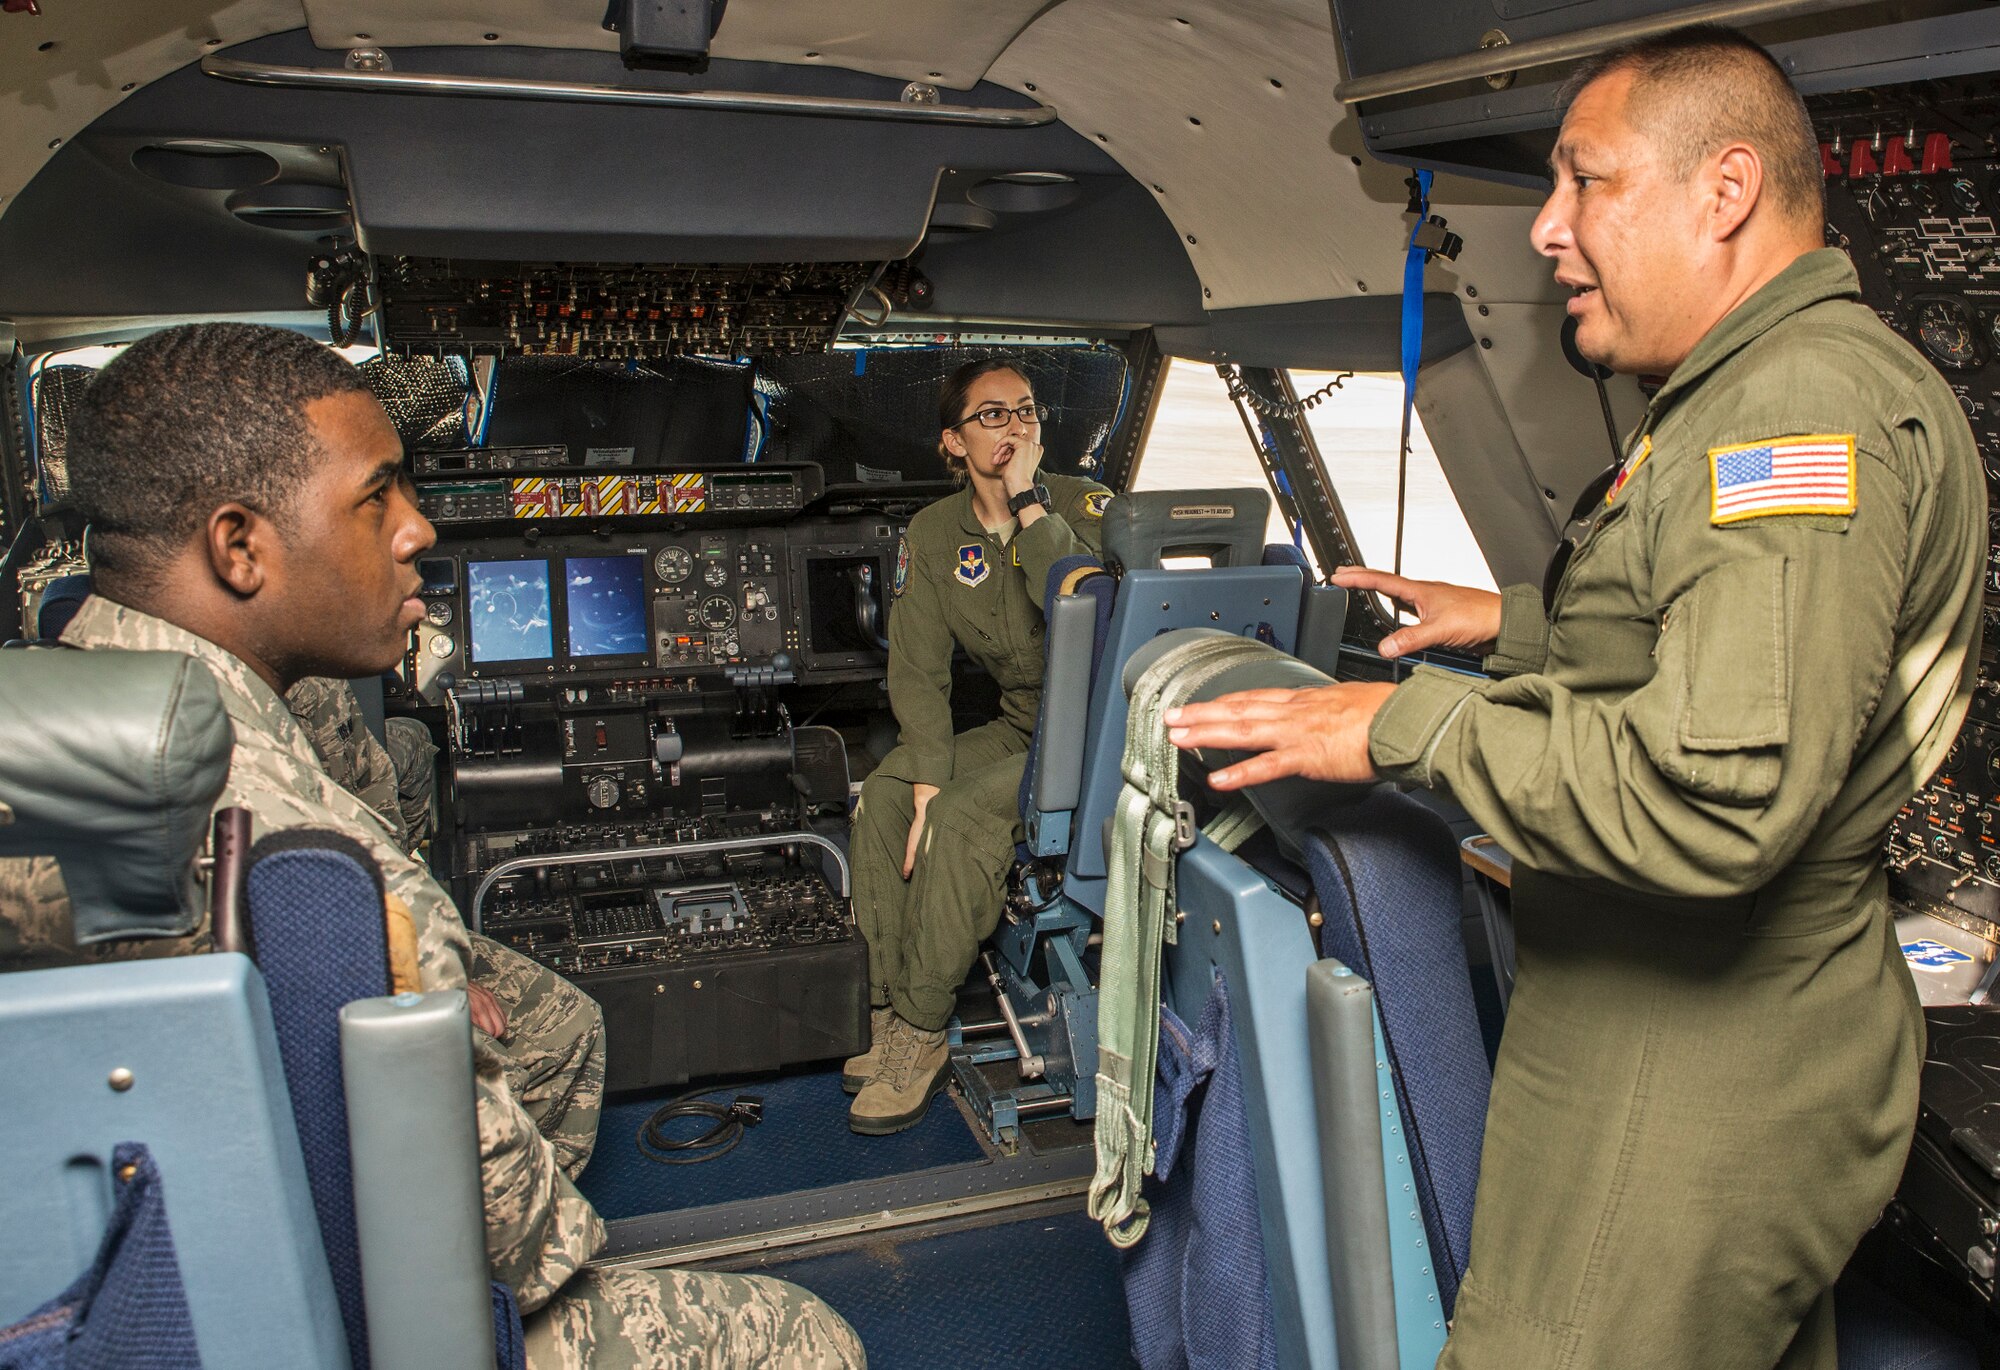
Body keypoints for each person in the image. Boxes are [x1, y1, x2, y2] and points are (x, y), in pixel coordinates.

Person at [1165, 26, 1983, 1368]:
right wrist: (1517, 625)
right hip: (1685, 1025)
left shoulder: (1790, 415)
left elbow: (1713, 795)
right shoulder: (1743, 395)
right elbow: (1711, 630)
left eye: (1585, 182)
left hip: (1695, 1061)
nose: (1547, 230)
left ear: (1723, 193)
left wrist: (1397, 725)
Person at [0, 324, 865, 1369]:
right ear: (239, 547)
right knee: (811, 1340)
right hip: (359, 1299)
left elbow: (370, 786)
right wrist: (427, 978)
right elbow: (515, 1227)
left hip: (160, 1233)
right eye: (377, 496)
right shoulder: (310, 865)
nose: (417, 530)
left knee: (562, 1023)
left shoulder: (87, 703)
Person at [845, 358, 1113, 1134]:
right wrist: (926, 773)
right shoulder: (934, 534)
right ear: (952, 443)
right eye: (991, 415)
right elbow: (918, 668)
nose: (1015, 426)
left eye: (1025, 411)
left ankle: (925, 1032)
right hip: (1026, 723)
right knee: (891, 795)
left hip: (1096, 730)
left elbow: (1082, 617)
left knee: (961, 817)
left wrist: (1029, 503)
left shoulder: (1083, 506)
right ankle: (889, 1013)